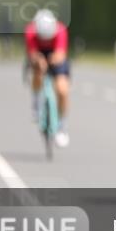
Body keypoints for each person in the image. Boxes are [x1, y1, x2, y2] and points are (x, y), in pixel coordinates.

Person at [25, 9, 71, 147]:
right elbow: (32, 54)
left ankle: (61, 126)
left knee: (62, 90)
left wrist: (51, 61)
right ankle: (36, 102)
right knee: (37, 72)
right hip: (38, 54)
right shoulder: (30, 32)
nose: (46, 40)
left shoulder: (61, 30)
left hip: (55, 55)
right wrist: (39, 61)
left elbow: (60, 54)